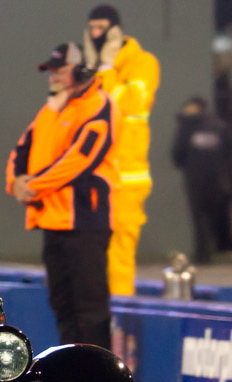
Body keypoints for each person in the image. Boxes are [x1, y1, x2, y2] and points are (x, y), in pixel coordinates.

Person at [6, 43, 120, 350]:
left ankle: (97, 373)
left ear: (81, 71)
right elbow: (21, 150)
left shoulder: (99, 105)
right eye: (51, 71)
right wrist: (15, 182)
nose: (52, 76)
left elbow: (78, 162)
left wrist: (33, 186)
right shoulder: (50, 110)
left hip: (85, 223)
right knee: (63, 306)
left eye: (59, 70)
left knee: (90, 309)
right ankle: (73, 372)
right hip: (52, 222)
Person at [83, 4, 160, 296]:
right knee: (91, 255)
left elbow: (123, 102)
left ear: (116, 30)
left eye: (101, 28)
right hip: (94, 175)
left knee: (119, 255)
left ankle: (118, 312)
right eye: (92, 28)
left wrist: (104, 68)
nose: (96, 34)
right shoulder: (91, 67)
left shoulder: (142, 62)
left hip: (127, 178)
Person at [171, 96, 232, 263]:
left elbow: (177, 153)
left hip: (195, 178)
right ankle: (212, 250)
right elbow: (229, 152)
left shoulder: (187, 127)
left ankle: (203, 253)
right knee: (212, 215)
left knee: (199, 217)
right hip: (215, 178)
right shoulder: (218, 127)